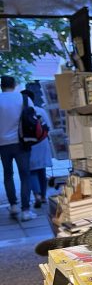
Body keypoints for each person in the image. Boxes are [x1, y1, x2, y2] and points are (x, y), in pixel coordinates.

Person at [0, 75, 35, 220]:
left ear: (1, 86)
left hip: (2, 144)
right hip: (22, 142)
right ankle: (26, 211)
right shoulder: (24, 99)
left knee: (8, 175)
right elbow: (34, 118)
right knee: (25, 175)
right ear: (14, 85)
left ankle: (13, 205)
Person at [22, 89, 52, 208]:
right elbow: (48, 126)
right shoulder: (40, 111)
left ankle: (37, 195)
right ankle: (44, 196)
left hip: (29, 144)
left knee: (32, 171)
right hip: (42, 142)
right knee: (42, 170)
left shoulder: (22, 113)